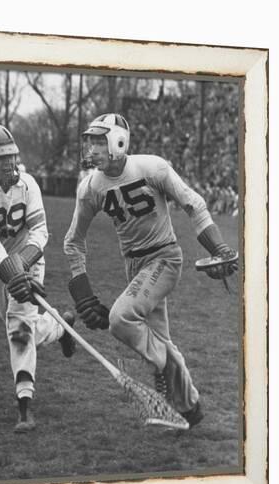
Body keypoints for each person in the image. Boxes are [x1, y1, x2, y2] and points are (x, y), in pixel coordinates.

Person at [64, 113, 237, 428]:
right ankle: (189, 409)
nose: (92, 149)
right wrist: (84, 296)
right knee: (161, 340)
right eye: (90, 141)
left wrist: (218, 247)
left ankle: (161, 371)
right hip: (134, 266)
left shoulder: (152, 167)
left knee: (120, 319)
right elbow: (73, 242)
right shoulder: (90, 187)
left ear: (118, 141)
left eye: (99, 141)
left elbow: (193, 203)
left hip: (165, 258)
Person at [0, 123, 76, 433]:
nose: (9, 163)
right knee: (22, 327)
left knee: (18, 329)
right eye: (1, 157)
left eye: (12, 156)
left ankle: (24, 407)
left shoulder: (29, 184)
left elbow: (40, 231)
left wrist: (22, 265)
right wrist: (9, 269)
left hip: (30, 262)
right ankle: (60, 326)